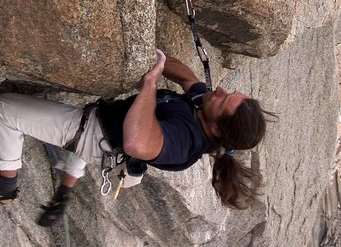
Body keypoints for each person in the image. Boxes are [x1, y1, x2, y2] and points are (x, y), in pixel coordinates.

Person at [0, 50, 272, 226]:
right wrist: (156, 56)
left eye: (223, 100)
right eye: (228, 92)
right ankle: (66, 189)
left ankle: (6, 187)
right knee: (81, 150)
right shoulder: (205, 107)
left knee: (5, 110)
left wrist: (150, 83)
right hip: (107, 128)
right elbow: (188, 78)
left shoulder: (185, 142)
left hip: (93, 134)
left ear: (217, 130)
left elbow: (137, 143)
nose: (220, 89)